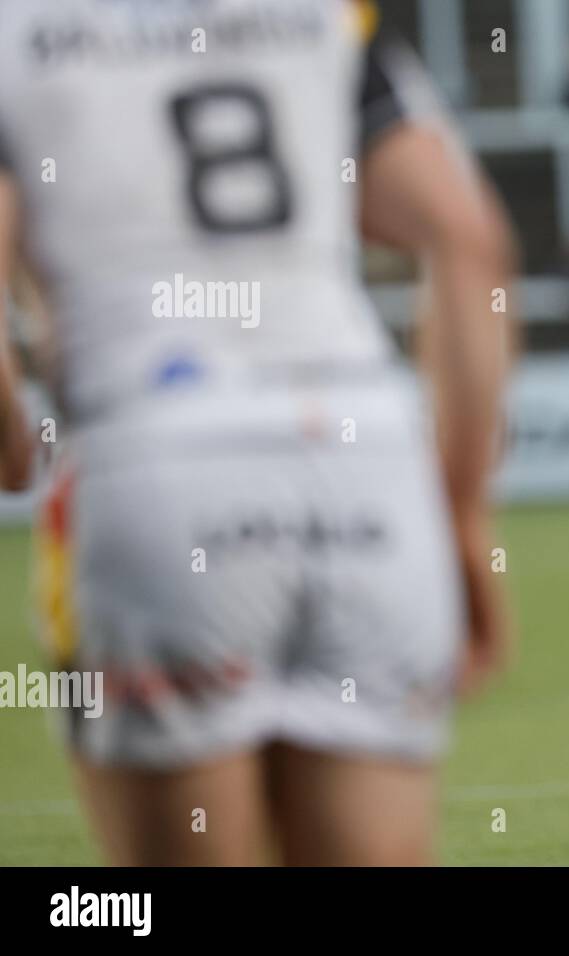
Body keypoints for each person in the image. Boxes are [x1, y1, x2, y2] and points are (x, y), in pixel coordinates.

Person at [0, 0, 516, 865]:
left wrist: (16, 449)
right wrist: (460, 513)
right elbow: (468, 242)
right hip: (363, 459)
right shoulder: (326, 15)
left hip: (156, 458)